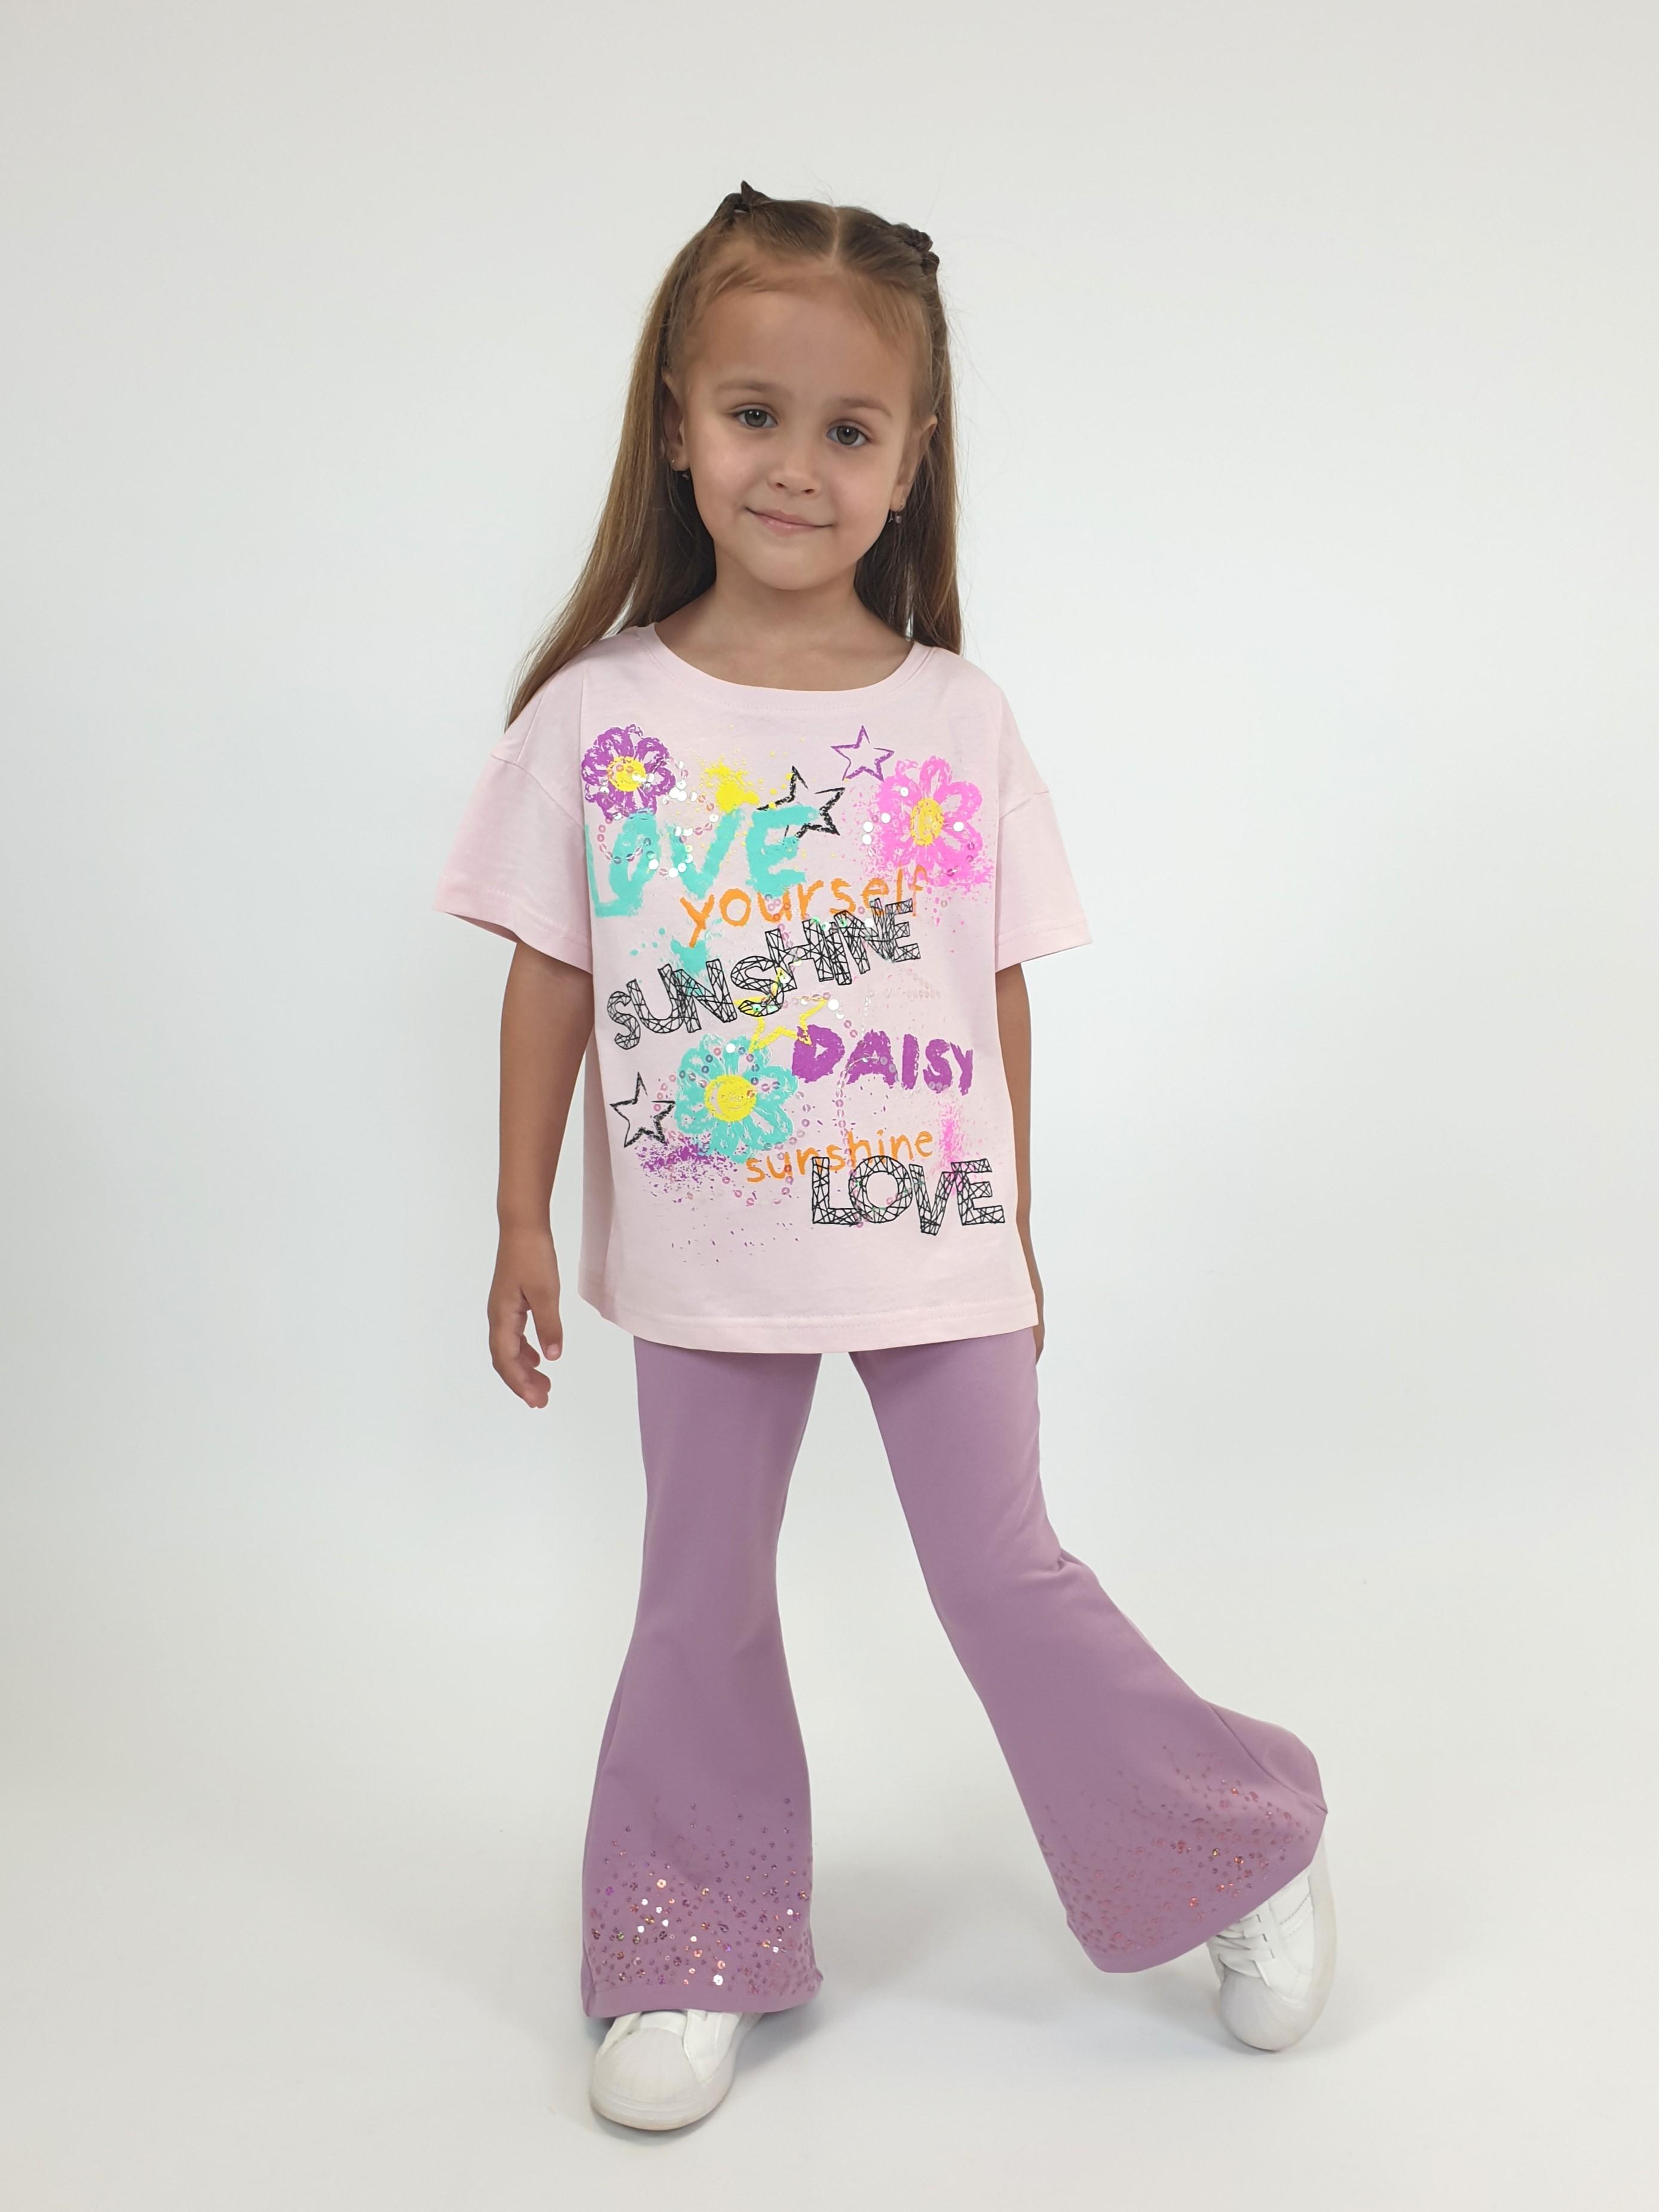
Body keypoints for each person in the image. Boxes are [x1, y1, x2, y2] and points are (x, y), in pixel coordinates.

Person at [433, 180, 1334, 2134]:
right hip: (705, 1254)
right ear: (678, 421)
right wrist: (517, 1213)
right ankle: (687, 1938)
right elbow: (551, 975)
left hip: (933, 1237)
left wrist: (1017, 1229)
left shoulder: (958, 718)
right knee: (699, 1596)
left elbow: (990, 989)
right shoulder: (601, 717)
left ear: (914, 460)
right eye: (755, 413)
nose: (797, 466)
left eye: (850, 429)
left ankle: (1239, 1843)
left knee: (1003, 1579)